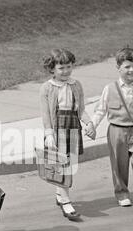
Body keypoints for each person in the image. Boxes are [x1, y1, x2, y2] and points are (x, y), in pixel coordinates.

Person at [92, 47, 133, 215]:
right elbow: (100, 110)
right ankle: (122, 194)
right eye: (127, 67)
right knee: (119, 166)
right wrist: (92, 125)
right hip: (116, 131)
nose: (132, 70)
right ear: (119, 68)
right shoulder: (110, 88)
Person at [40, 48, 96, 221]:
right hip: (57, 130)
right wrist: (49, 134)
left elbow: (80, 110)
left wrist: (89, 123)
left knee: (70, 165)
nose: (65, 71)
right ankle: (66, 202)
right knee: (62, 166)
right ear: (52, 69)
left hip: (72, 126)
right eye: (61, 68)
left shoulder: (76, 85)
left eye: (69, 67)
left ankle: (59, 192)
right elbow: (46, 114)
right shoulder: (47, 88)